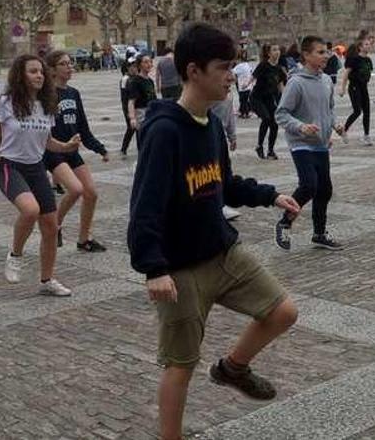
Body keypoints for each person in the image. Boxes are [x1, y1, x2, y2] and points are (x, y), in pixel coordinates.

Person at [128, 22, 301, 440]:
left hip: (222, 251)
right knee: (180, 365)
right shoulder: (165, 130)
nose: (231, 76)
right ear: (193, 71)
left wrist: (269, 195)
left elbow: (223, 183)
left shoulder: (209, 123)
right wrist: (153, 267)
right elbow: (144, 205)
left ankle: (232, 368)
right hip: (180, 268)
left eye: (233, 66)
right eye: (223, 67)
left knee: (283, 312)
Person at [0, 54, 81, 295]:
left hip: (36, 168)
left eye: (41, 72)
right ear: (20, 75)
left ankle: (47, 281)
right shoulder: (6, 102)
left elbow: (47, 142)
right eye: (33, 71)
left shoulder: (47, 104)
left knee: (50, 226)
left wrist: (66, 146)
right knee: (30, 210)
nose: (39, 75)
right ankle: (15, 255)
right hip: (10, 166)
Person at [275, 35, 345, 251]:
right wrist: (300, 126)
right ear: (306, 55)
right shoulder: (296, 82)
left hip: (321, 143)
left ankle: (319, 234)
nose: (326, 56)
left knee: (324, 189)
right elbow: (282, 114)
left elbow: (329, 109)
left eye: (326, 51)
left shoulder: (325, 81)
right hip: (301, 143)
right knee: (309, 185)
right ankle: (285, 221)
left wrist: (335, 125)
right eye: (320, 52)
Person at [43, 50, 111, 252]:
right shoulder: (46, 95)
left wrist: (100, 148)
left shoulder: (74, 93)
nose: (70, 67)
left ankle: (84, 239)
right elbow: (41, 130)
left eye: (70, 63)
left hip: (72, 150)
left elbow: (83, 128)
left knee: (91, 193)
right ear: (53, 70)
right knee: (76, 189)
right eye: (64, 64)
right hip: (53, 151)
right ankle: (55, 224)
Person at [209, 77, 242, 221]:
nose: (231, 78)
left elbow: (230, 116)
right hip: (209, 134)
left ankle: (221, 204)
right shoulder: (211, 94)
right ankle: (218, 205)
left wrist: (232, 136)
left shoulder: (227, 94)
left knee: (223, 169)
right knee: (213, 171)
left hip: (221, 135)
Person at [251, 44, 287, 160]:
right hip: (256, 98)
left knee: (274, 123)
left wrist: (285, 100)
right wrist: (245, 85)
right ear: (269, 53)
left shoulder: (279, 69)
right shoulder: (263, 65)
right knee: (266, 118)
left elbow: (281, 86)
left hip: (269, 99)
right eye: (274, 50)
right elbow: (253, 77)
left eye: (278, 50)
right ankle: (259, 145)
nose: (277, 52)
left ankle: (271, 150)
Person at [338, 36, 375, 146]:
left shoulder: (368, 60)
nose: (369, 46)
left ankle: (366, 136)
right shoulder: (354, 59)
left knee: (367, 112)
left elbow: (368, 73)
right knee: (357, 111)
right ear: (360, 47)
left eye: (369, 44)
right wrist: (342, 88)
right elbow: (346, 73)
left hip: (364, 87)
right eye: (366, 44)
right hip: (354, 87)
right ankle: (344, 130)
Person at [121, 53, 157, 156]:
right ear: (140, 65)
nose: (149, 64)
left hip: (151, 113)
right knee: (143, 142)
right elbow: (131, 101)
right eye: (146, 62)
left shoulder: (150, 81)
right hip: (141, 114)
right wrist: (132, 118)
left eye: (150, 62)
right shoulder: (135, 81)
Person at [234, 53, 255, 118]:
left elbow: (233, 72)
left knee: (242, 100)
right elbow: (251, 72)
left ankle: (244, 113)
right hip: (248, 86)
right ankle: (247, 112)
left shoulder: (238, 66)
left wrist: (236, 80)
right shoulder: (247, 65)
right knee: (246, 100)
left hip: (242, 86)